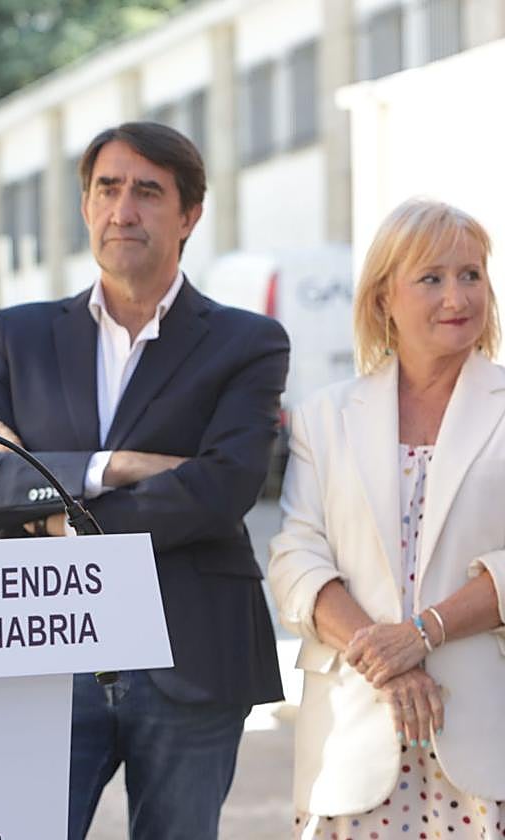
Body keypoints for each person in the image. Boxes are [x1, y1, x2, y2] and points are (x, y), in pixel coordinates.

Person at [0, 121, 288, 840]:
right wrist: (111, 466)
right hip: (42, 643)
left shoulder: (247, 342)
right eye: (108, 189)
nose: (123, 210)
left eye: (148, 192)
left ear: (189, 215)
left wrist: (49, 503)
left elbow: (223, 489)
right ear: (86, 205)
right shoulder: (18, 335)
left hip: (190, 650)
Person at [269, 198, 505, 838]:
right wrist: (389, 658)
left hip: (488, 737)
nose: (457, 296)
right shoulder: (325, 415)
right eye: (431, 278)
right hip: (355, 740)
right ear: (383, 299)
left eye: (471, 274)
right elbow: (294, 559)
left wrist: (424, 631)